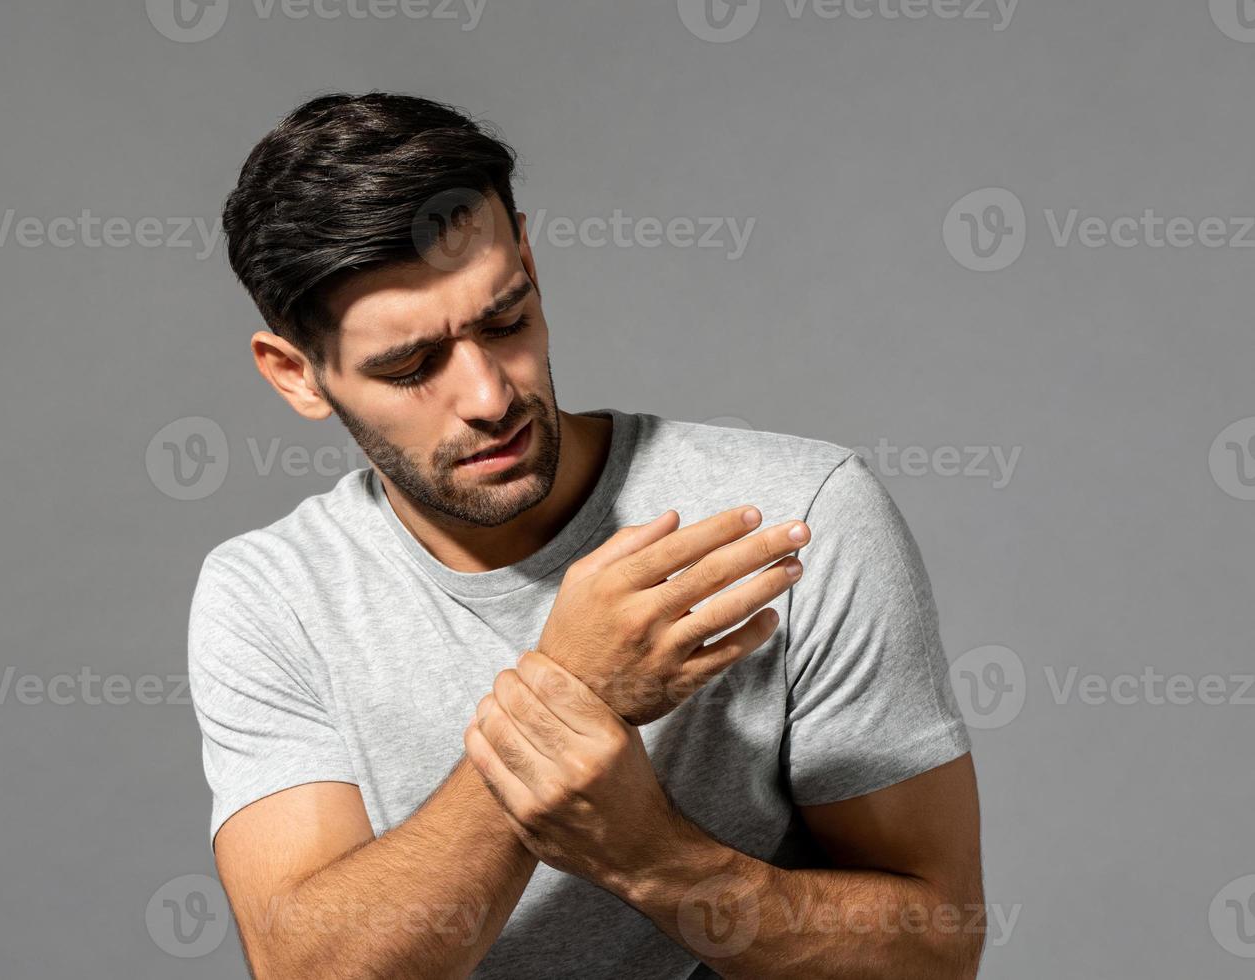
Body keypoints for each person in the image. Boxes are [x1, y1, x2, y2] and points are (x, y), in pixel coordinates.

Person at [190, 90, 983, 979]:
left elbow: (936, 953)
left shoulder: (800, 514)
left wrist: (653, 859)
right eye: (411, 367)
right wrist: (571, 688)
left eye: (506, 321)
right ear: (296, 376)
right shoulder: (271, 597)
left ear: (527, 257)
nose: (490, 397)